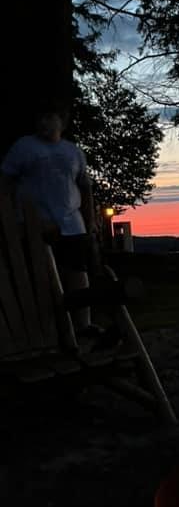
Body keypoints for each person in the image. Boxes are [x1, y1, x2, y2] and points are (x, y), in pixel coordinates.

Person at [0, 108, 102, 337]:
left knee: (78, 273)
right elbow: (5, 183)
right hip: (35, 225)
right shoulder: (24, 147)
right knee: (41, 276)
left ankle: (82, 325)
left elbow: (85, 187)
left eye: (49, 117)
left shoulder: (73, 151)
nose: (44, 122)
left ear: (61, 122)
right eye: (40, 118)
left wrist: (91, 220)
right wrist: (11, 221)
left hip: (72, 225)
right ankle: (46, 332)